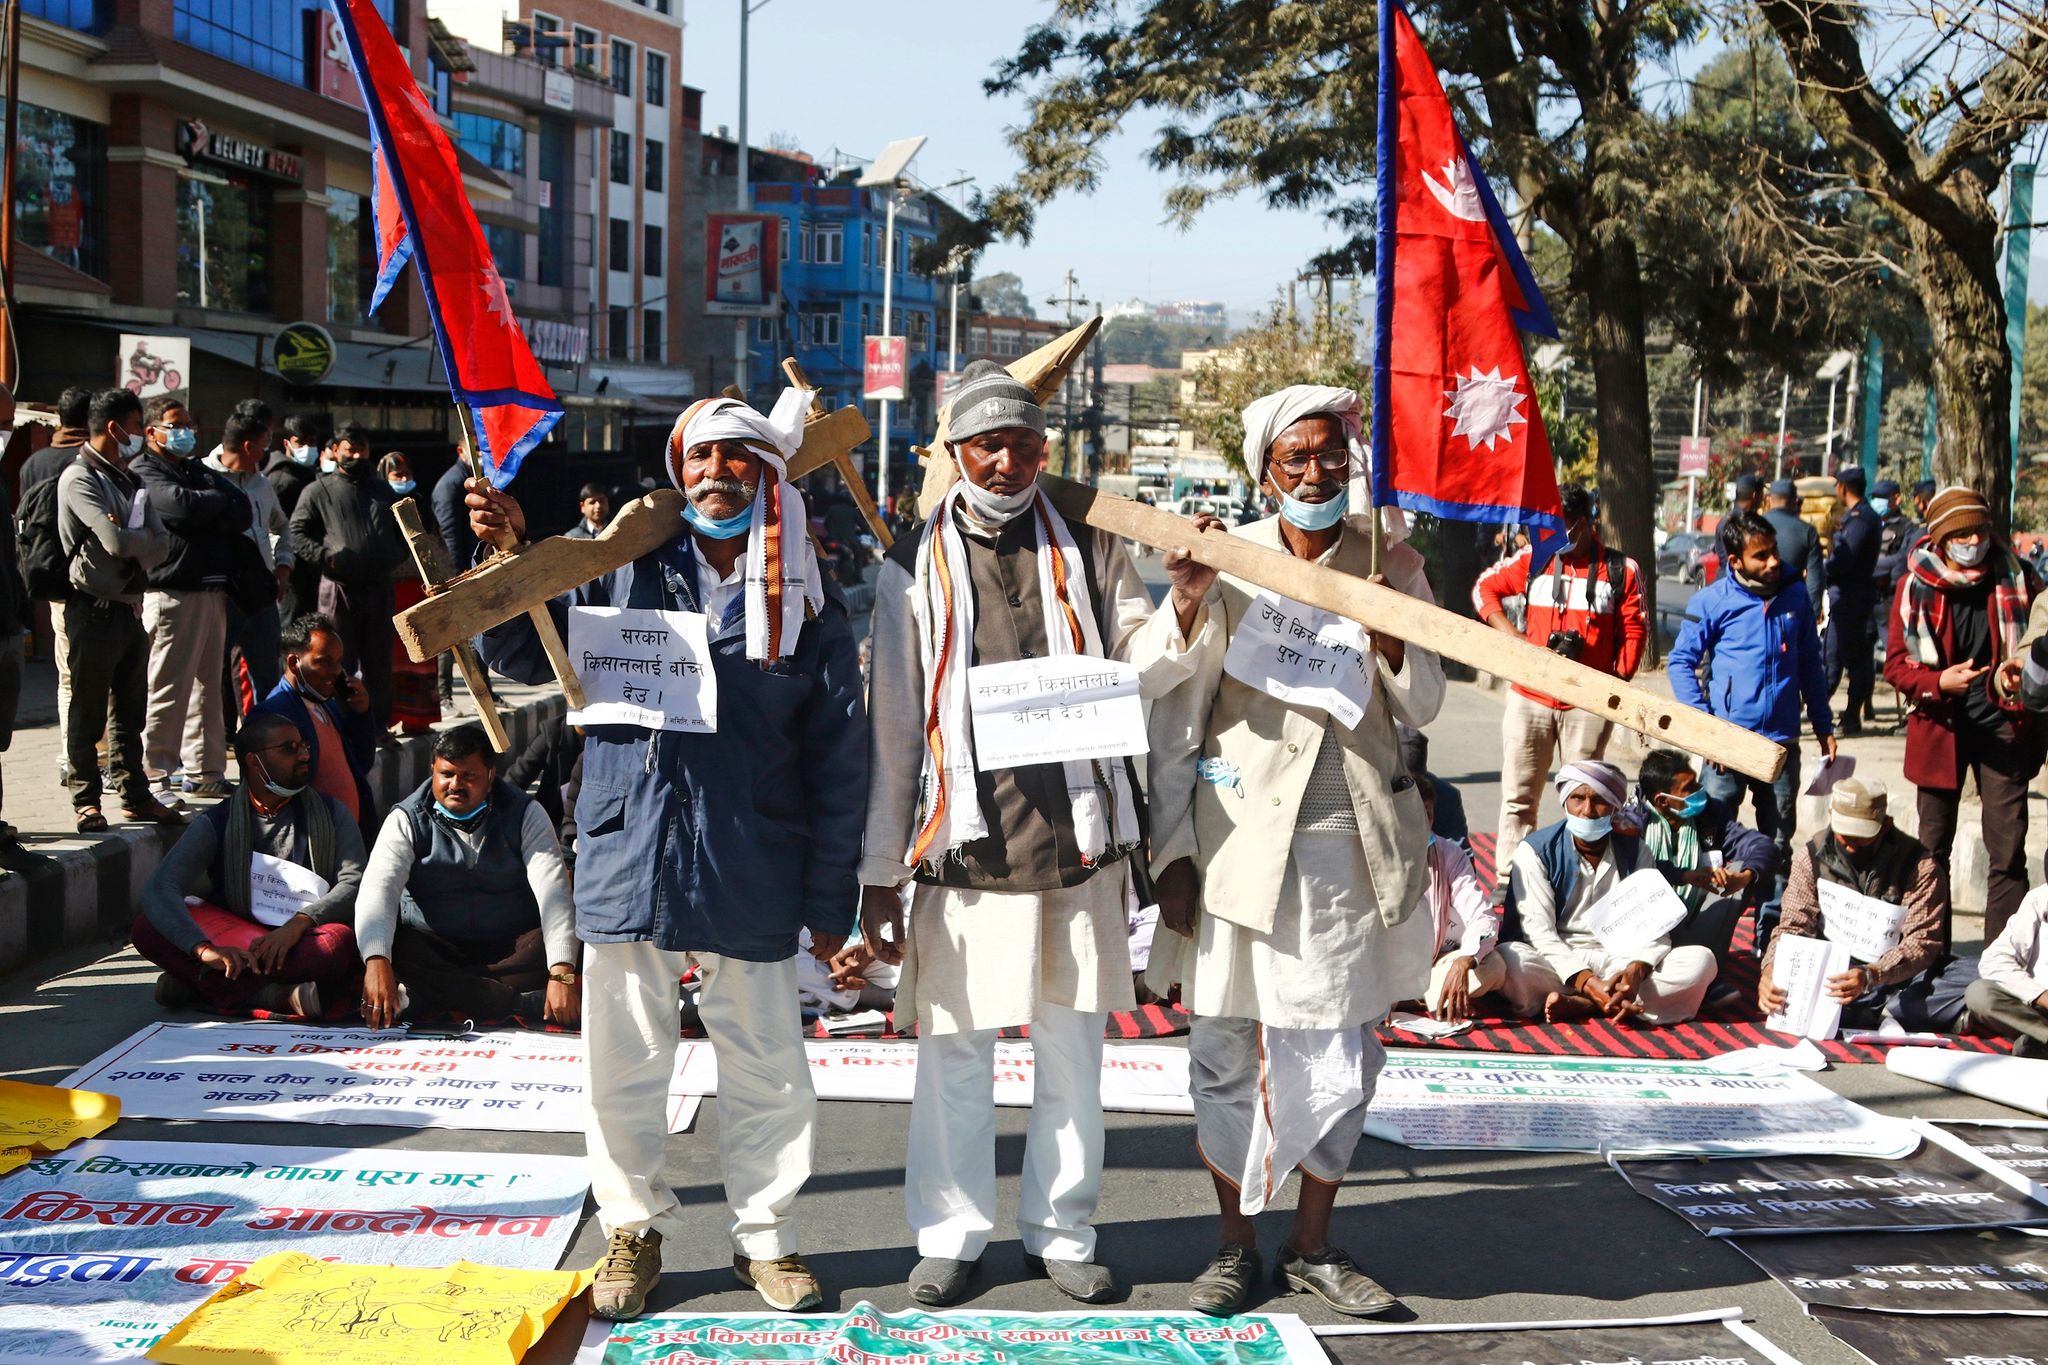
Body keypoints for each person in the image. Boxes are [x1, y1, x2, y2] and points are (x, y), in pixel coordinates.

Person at [473, 386, 866, 1320]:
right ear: (677, 471)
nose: (717, 475)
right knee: (623, 1058)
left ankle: (766, 1239)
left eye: (738, 458)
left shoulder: (808, 597)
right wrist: (507, 565)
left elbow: (840, 758)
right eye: (701, 459)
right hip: (629, 850)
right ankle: (631, 1226)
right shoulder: (619, 568)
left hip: (752, 858)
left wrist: (832, 897)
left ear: (770, 473)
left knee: (769, 1060)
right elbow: (523, 659)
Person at [859, 360, 1164, 1310]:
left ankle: (1063, 1230)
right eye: (987, 444)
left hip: (1078, 841)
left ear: (1046, 451)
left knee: (1075, 1048)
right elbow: (896, 725)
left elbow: (1142, 659)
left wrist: (1183, 605)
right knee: (957, 1051)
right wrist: (878, 871)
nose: (1006, 460)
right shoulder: (908, 563)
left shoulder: (1091, 545)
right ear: (955, 454)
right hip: (965, 850)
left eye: (1025, 444)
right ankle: (950, 1236)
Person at [1138, 384, 1442, 1319]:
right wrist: (1172, 854)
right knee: (1224, 1048)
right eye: (1294, 458)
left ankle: (1312, 1243)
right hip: (1236, 849)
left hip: (1349, 852)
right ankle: (1234, 1243)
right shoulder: (1229, 561)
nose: (1315, 472)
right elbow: (1167, 705)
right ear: (1264, 469)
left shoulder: (1391, 562)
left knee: (1338, 1055)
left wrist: (1394, 634)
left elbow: (1425, 702)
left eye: (1329, 455)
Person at [1883, 486, 2042, 943]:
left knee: (2007, 851)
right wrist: (1937, 684)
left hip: (2004, 726)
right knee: (1932, 851)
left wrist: (2020, 671)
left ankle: (2001, 960)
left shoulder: (2019, 578)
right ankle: (1929, 953)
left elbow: (2040, 642)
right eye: (1963, 535)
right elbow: (1895, 665)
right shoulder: (1914, 585)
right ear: (1941, 538)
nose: (1973, 542)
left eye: (1980, 532)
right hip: (1939, 729)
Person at [132, 713, 366, 1017]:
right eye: (289, 748)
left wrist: (299, 923)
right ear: (255, 762)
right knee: (146, 927)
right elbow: (161, 888)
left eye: (304, 745)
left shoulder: (332, 812)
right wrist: (204, 950)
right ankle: (271, 995)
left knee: (336, 946)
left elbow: (355, 881)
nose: (305, 755)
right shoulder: (218, 820)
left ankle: (202, 985)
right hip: (236, 940)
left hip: (300, 937)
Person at [1473, 485, 1647, 868]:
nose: (1552, 537)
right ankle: (1509, 878)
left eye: (1562, 528)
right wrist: (1516, 640)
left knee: (1586, 798)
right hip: (1529, 697)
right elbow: (1484, 590)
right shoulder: (1533, 558)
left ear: (1584, 525)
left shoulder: (1621, 570)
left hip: (1588, 703)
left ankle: (1578, 875)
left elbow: (1634, 632)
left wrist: (1613, 685)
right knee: (1518, 797)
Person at [357, 724, 577, 1026]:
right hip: (434, 946)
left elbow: (553, 891)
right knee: (395, 948)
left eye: (469, 776)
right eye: (446, 774)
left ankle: (429, 996)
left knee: (552, 946)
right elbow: (378, 890)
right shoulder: (406, 818)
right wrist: (376, 960)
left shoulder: (525, 813)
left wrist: (561, 973)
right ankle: (513, 1001)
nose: (455, 785)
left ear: (490, 776)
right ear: (432, 769)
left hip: (509, 949)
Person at [1667, 511, 1835, 899]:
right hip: (1726, 748)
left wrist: (1824, 726)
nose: (1773, 562)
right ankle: (1705, 925)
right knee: (1711, 838)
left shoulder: (1795, 595)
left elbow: (1811, 663)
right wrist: (1709, 731)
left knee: (1776, 842)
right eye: (1761, 556)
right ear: (1735, 561)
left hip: (1780, 745)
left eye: (1774, 551)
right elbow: (1680, 662)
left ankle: (1769, 932)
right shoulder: (1712, 601)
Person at [1498, 761, 1717, 1025]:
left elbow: (1654, 928)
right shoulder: (1536, 851)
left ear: (1615, 806)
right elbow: (1539, 933)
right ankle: (1608, 999)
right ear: (1565, 801)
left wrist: (1635, 971)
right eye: (1577, 798)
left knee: (1701, 961)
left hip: (1621, 958)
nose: (1587, 811)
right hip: (1561, 958)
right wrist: (1586, 980)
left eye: (1599, 800)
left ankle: (1587, 1004)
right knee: (1511, 958)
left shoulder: (1636, 851)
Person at [57, 389, 185, 833]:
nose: (138, 436)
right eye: (134, 427)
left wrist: (133, 542)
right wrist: (135, 542)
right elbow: (115, 543)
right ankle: (86, 801)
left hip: (130, 609)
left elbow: (162, 544)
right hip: (93, 610)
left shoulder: (130, 481)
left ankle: (135, 794)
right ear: (114, 428)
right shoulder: (79, 479)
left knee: (130, 711)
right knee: (87, 711)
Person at [1762, 778, 1975, 1033]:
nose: (1851, 845)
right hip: (1833, 977)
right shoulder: (1810, 857)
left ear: (1885, 826)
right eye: (1845, 837)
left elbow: (1922, 942)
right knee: (1813, 990)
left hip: (1896, 976)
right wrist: (1772, 968)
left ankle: (1885, 1011)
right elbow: (1794, 924)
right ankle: (1901, 1014)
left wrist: (1873, 974)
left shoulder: (1920, 866)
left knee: (1974, 973)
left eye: (1862, 838)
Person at [133, 395, 252, 803]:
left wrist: (209, 506)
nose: (185, 432)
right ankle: (156, 773)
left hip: (212, 590)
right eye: (175, 424)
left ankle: (205, 771)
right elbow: (178, 509)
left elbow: (240, 508)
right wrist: (210, 506)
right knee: (169, 687)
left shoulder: (194, 469)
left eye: (188, 424)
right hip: (173, 592)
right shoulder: (144, 470)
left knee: (207, 689)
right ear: (151, 431)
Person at [290, 422, 404, 730]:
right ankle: (337, 726)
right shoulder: (318, 490)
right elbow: (296, 533)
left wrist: (395, 556)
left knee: (379, 662)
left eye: (361, 449)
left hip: (379, 588)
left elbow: (405, 530)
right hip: (338, 590)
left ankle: (378, 726)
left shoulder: (383, 490)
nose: (356, 455)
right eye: (349, 449)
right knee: (337, 661)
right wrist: (326, 557)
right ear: (336, 451)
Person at [1620, 748, 1774, 971]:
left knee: (1742, 870)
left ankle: (1708, 972)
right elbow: (1633, 870)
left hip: (1693, 913)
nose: (1699, 792)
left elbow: (1762, 846)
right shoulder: (1631, 822)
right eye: (1688, 789)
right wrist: (1684, 876)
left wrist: (1744, 877)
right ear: (1662, 801)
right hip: (1645, 925)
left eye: (1696, 784)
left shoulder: (1709, 813)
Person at [253, 613, 378, 840]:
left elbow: (363, 761)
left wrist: (360, 715)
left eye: (339, 662)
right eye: (324, 661)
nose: (336, 671)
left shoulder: (327, 704)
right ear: (294, 663)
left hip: (347, 841)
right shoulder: (273, 716)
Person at [206, 410, 294, 722]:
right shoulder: (203, 478)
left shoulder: (261, 484)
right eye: (264, 444)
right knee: (210, 679)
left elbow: (283, 527)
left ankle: (268, 748)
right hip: (220, 597)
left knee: (268, 679)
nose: (267, 452)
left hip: (261, 596)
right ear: (247, 446)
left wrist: (283, 567)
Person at [25, 386, 94, 781]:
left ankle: (70, 756)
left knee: (67, 674)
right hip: (93, 583)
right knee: (99, 678)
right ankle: (88, 758)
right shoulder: (90, 462)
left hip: (52, 582)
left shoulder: (34, 463)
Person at [1417, 775, 1503, 1021]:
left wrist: (1467, 959)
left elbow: (1483, 918)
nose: (1422, 823)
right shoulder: (1370, 854)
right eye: (1412, 813)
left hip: (1438, 962)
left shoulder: (1449, 854)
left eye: (1428, 813)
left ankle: (1415, 999)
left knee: (1496, 965)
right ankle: (1424, 997)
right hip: (1386, 970)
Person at [376, 452, 439, 736]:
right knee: (393, 658)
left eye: (406, 475)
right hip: (392, 590)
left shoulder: (422, 505)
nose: (403, 480)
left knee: (422, 652)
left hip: (421, 589)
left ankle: (418, 718)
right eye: (396, 476)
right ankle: (390, 716)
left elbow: (435, 543)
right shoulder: (377, 506)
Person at [1825, 465, 1882, 735]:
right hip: (1850, 596)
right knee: (1834, 658)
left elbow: (1845, 559)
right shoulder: (1859, 516)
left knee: (1850, 660)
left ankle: (1850, 716)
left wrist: (1823, 568)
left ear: (1843, 488)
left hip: (1851, 597)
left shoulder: (1860, 519)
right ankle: (1823, 711)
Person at [1966, 885, 2048, 1056]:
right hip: (2038, 1009)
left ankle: (2040, 1044)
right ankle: (2042, 1037)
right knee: (1980, 993)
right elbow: (1994, 960)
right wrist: (2041, 995)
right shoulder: (2039, 898)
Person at [1762, 478, 1825, 615]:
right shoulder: (1807, 531)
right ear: (1794, 501)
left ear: (1769, 499)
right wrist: (1813, 612)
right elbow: (1815, 578)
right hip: (1792, 607)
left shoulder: (1754, 526)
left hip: (1758, 604)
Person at [1398, 724, 1467, 846]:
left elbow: (1462, 855)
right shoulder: (1371, 792)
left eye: (1416, 785)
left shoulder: (1447, 797)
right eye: (1403, 785)